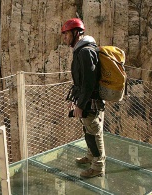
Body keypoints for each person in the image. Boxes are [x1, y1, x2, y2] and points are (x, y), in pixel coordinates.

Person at [62, 18, 106, 178]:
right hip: (87, 100)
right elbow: (80, 82)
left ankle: (98, 167)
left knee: (94, 132)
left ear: (76, 33)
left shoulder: (86, 52)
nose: (65, 37)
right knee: (88, 128)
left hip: (91, 101)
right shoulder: (81, 50)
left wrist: (80, 105)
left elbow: (88, 82)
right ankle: (90, 157)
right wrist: (75, 101)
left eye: (66, 34)